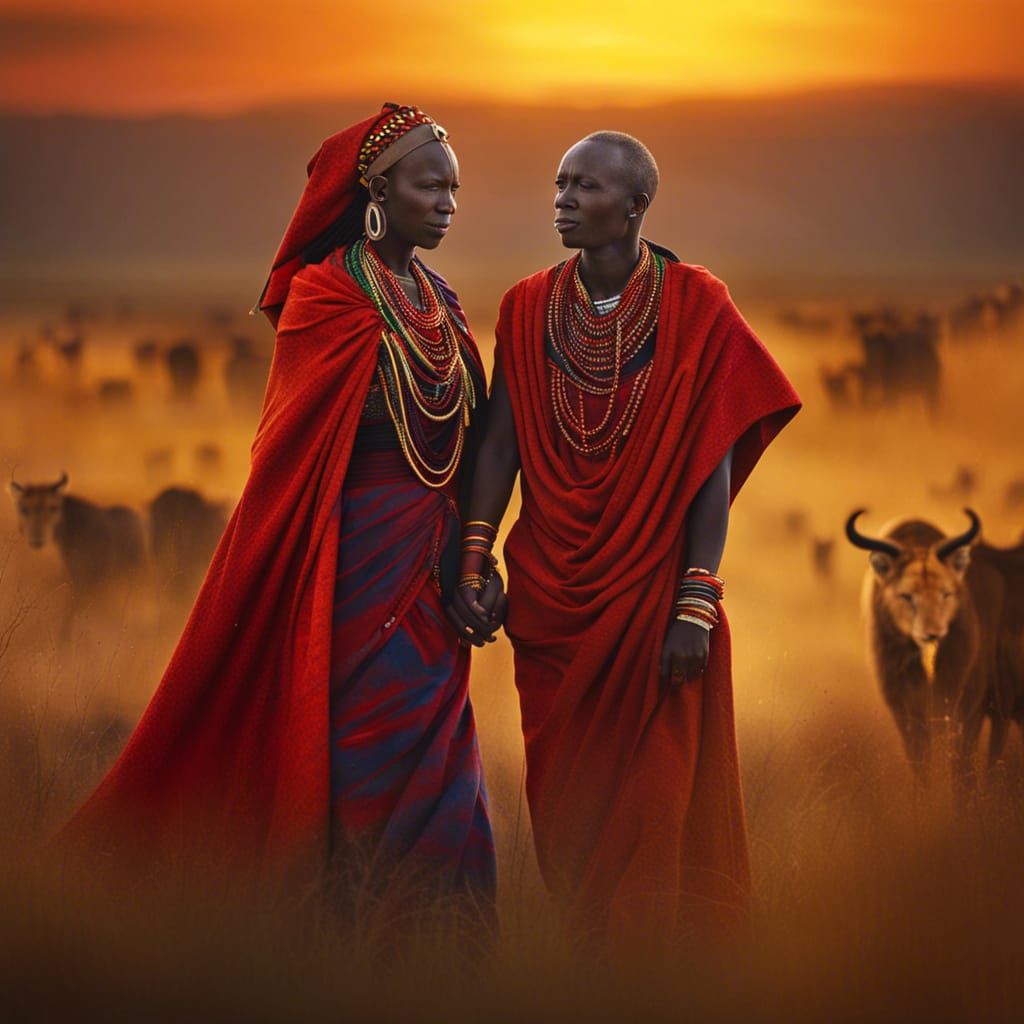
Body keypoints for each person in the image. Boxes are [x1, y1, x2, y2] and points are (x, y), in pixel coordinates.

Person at [56, 104, 497, 912]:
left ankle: (444, 944)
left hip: (433, 567)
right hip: (352, 566)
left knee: (443, 749)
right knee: (364, 742)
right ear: (378, 190)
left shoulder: (443, 301)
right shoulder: (325, 298)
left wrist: (473, 556)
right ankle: (348, 928)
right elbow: (293, 456)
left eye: (456, 190)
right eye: (431, 185)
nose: (448, 204)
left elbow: (468, 438)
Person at [447, 131, 801, 950]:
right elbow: (498, 446)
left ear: (637, 204)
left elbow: (710, 465)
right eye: (560, 182)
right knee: (569, 814)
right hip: (552, 600)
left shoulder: (697, 304)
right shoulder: (527, 306)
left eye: (587, 186)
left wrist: (695, 603)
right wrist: (474, 558)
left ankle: (658, 973)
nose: (563, 199)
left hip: (657, 599)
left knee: (657, 800)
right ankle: (593, 971)